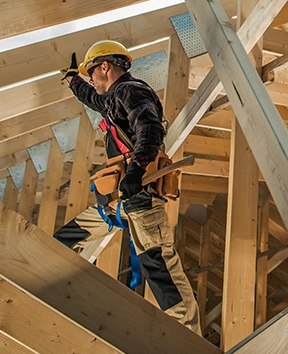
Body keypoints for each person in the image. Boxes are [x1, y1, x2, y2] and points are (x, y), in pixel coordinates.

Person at [53, 40, 200, 333]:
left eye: (91, 73)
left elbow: (149, 130)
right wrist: (73, 79)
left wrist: (135, 171)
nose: (91, 80)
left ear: (104, 67)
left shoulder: (132, 91)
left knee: (159, 268)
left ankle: (188, 336)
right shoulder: (113, 99)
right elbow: (90, 97)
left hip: (141, 198)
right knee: (65, 239)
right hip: (119, 202)